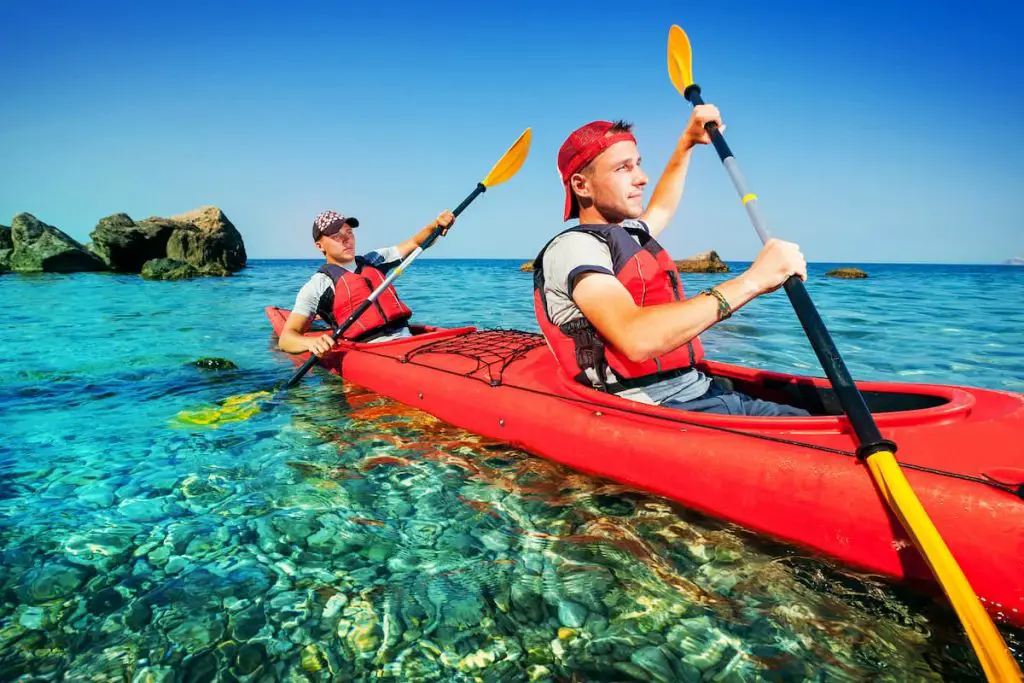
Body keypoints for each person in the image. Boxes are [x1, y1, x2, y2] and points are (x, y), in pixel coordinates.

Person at [532, 105, 811, 416]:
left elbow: (662, 208)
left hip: (697, 389)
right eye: (623, 168)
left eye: (638, 164)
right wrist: (753, 281)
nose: (642, 178)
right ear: (581, 185)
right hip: (656, 407)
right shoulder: (574, 249)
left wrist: (687, 143)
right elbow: (635, 338)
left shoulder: (627, 234)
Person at [278, 208, 455, 357]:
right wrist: (311, 342)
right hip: (370, 352)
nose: (347, 239)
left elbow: (416, 242)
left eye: (349, 233)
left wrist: (436, 225)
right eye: (336, 236)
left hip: (408, 340)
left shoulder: (374, 260)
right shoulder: (317, 286)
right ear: (320, 246)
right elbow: (287, 338)